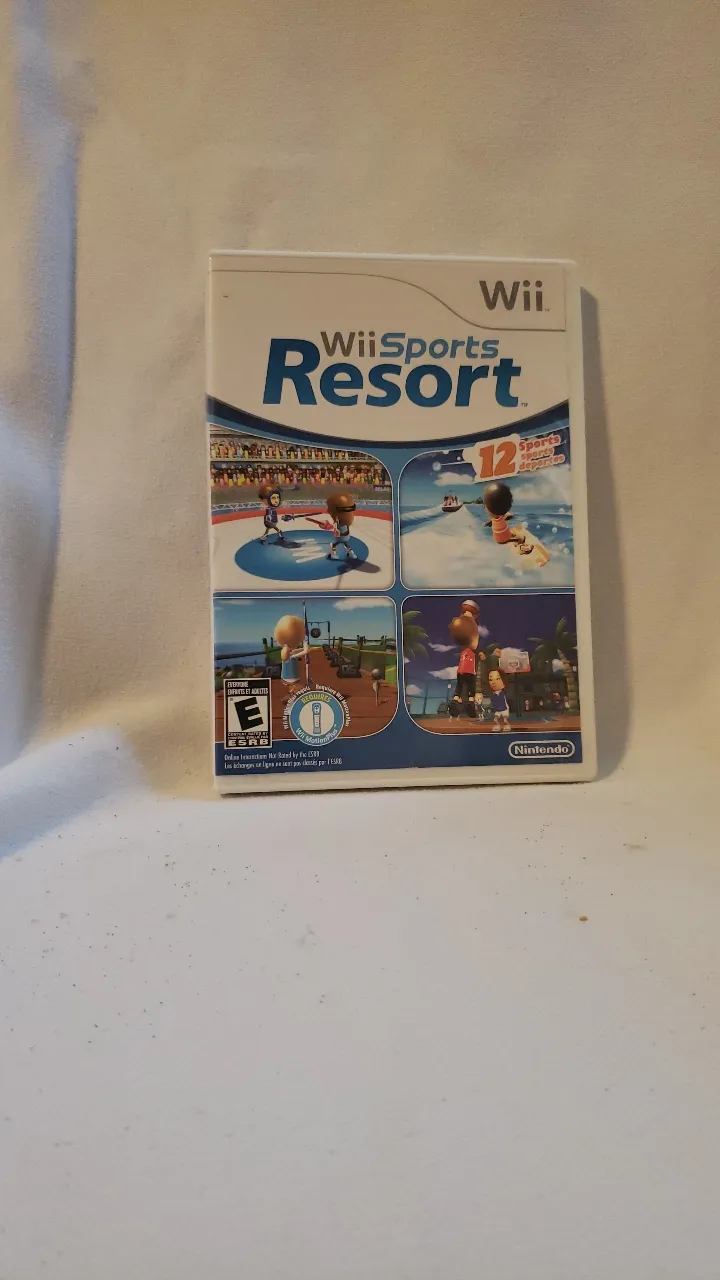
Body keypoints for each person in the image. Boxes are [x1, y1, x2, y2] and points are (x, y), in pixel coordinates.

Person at [482, 481, 531, 552]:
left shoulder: (497, 518)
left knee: (510, 538)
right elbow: (506, 516)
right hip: (503, 536)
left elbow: (505, 517)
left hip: (502, 538)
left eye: (485, 505)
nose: (484, 507)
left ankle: (521, 546)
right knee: (514, 537)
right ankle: (521, 544)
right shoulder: (499, 516)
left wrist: (489, 523)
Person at [447, 615, 478, 718]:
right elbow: (473, 633)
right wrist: (472, 621)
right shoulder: (472, 650)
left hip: (460, 672)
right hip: (470, 672)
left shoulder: (463, 651)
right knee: (471, 689)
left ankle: (455, 700)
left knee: (459, 688)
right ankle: (470, 704)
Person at [274, 615, 308, 699]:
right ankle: (290, 696)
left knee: (295, 689)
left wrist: (302, 648)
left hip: (286, 678)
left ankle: (291, 694)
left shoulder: (288, 655)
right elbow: (304, 652)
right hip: (292, 678)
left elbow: (296, 651)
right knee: (300, 690)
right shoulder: (291, 657)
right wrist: (306, 648)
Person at [326, 492, 357, 561]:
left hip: (342, 536)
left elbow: (338, 528)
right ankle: (350, 553)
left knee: (338, 544)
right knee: (343, 543)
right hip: (343, 536)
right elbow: (338, 529)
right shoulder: (342, 522)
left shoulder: (342, 521)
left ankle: (335, 553)